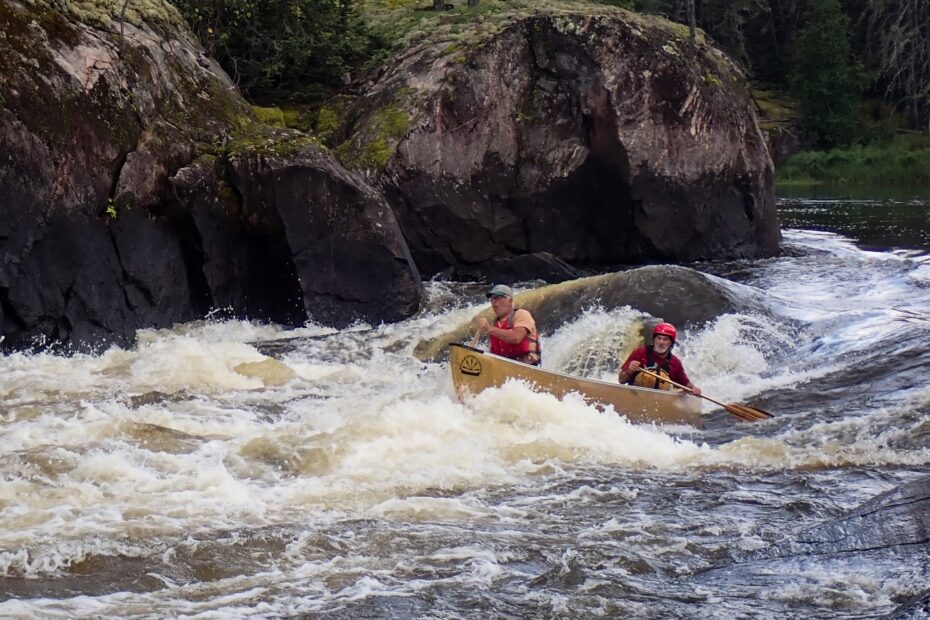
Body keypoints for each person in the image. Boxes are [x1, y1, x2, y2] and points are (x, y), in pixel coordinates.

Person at [617, 322, 702, 395]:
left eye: (665, 339)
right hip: (635, 395)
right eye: (659, 338)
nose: (661, 342)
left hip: (660, 401)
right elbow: (621, 380)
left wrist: (693, 389)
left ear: (671, 343)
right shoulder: (640, 353)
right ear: (654, 340)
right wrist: (629, 370)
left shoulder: (675, 363)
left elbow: (686, 385)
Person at [475, 284, 541, 366]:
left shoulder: (521, 314)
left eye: (497, 297)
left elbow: (516, 338)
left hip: (527, 368)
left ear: (510, 301)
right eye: (491, 298)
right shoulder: (495, 324)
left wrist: (489, 329)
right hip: (504, 369)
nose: (494, 301)